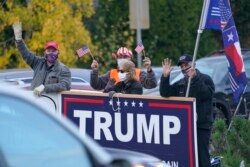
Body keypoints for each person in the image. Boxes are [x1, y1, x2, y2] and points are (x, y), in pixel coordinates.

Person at [159, 54, 215, 167]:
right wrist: (165, 77)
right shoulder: (181, 83)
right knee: (187, 156)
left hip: (201, 126)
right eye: (182, 66)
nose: (184, 68)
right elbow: (165, 93)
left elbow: (206, 95)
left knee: (202, 156)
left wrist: (195, 79)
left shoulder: (205, 79)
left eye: (186, 65)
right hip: (185, 126)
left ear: (193, 64)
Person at [12, 22, 71, 96]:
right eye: (49, 51)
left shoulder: (63, 69)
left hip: (50, 103)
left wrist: (45, 87)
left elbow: (65, 85)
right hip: (33, 101)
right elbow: (26, 53)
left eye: (53, 51)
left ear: (58, 53)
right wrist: (19, 41)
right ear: (45, 52)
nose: (51, 53)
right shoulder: (38, 63)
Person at [90, 47, 157, 91]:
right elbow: (96, 85)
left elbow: (152, 84)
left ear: (131, 59)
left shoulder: (138, 73)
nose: (122, 59)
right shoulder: (112, 73)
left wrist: (149, 69)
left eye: (125, 56)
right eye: (120, 57)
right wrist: (94, 71)